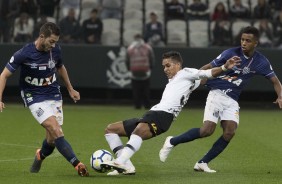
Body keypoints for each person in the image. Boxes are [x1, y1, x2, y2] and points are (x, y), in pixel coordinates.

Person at [159, 26, 282, 173]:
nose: (243, 43)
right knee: (207, 130)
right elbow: (208, 67)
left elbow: (275, 81)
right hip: (217, 93)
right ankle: (172, 141)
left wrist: (280, 95)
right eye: (242, 39)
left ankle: (202, 163)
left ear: (256, 42)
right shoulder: (230, 53)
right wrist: (196, 81)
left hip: (232, 99)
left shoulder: (261, 61)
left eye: (248, 41)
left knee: (230, 132)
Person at [99, 51, 241, 175]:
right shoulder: (180, 80)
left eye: (168, 65)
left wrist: (223, 67)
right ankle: (127, 166)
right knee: (110, 130)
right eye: (163, 66)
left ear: (177, 65)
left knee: (138, 132)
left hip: (163, 116)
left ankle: (120, 161)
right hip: (153, 113)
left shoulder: (185, 73)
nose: (165, 69)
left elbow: (207, 73)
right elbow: (202, 76)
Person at [0, 22, 89, 177]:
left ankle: (40, 154)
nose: (54, 45)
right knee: (56, 129)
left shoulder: (55, 51)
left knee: (52, 140)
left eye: (56, 42)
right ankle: (77, 164)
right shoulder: (24, 53)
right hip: (33, 96)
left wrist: (70, 88)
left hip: (53, 94)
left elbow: (60, 67)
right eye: (51, 41)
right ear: (42, 37)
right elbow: (4, 75)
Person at [126, 34, 155, 109]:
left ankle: (137, 105)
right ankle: (147, 105)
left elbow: (127, 60)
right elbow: (151, 58)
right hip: (145, 72)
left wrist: (129, 69)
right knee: (146, 91)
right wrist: (150, 68)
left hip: (134, 72)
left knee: (136, 91)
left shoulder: (130, 48)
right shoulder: (148, 47)